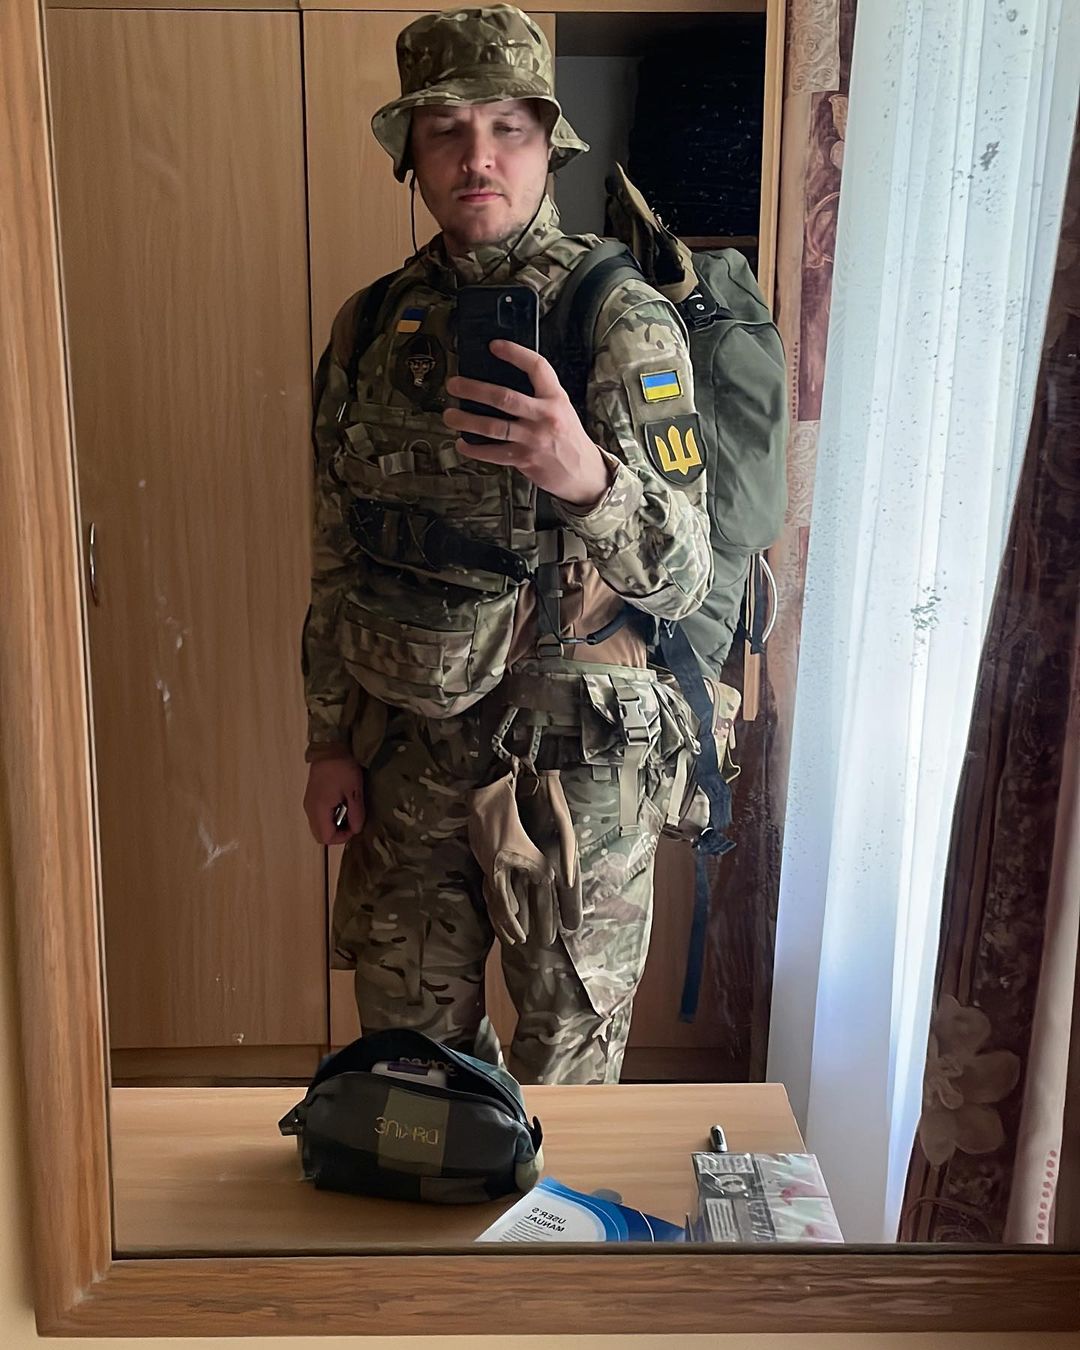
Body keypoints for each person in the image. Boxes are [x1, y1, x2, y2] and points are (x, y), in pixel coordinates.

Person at [301, 3, 712, 1085]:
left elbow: (685, 574)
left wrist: (586, 476)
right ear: (411, 155)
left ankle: (546, 1214)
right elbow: (337, 552)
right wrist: (327, 742)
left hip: (571, 762)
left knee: (566, 1083)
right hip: (409, 749)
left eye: (506, 128)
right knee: (410, 1074)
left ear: (547, 145)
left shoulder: (616, 317)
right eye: (446, 130)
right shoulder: (368, 328)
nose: (476, 157)